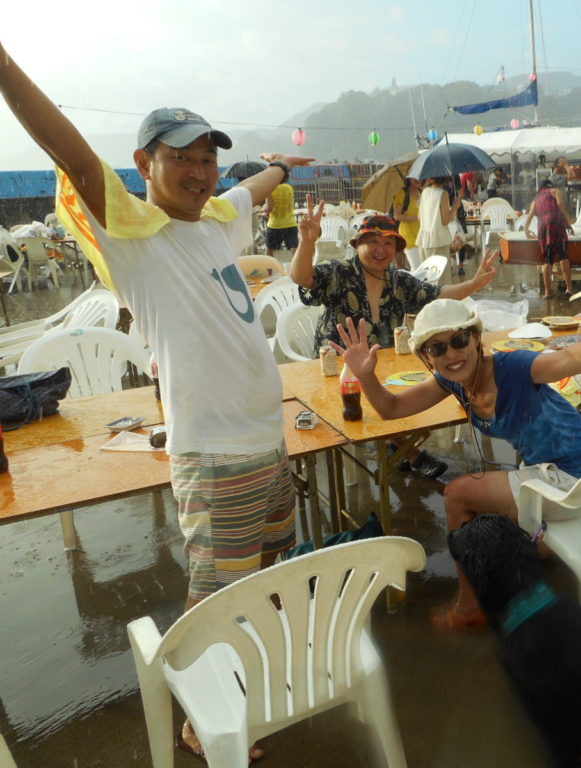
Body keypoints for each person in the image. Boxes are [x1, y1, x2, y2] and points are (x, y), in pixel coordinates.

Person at [0, 40, 306, 761]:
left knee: (261, 577)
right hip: (219, 456)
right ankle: (201, 724)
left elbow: (249, 190)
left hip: (268, 442)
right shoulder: (135, 237)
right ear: (144, 166)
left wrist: (279, 168)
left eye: (207, 158)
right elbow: (73, 155)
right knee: (215, 596)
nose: (199, 172)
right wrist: (7, 70)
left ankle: (232, 689)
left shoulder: (215, 224)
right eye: (181, 158)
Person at [334, 296, 581, 629]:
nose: (451, 353)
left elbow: (571, 358)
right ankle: (528, 566)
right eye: (437, 347)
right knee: (490, 510)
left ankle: (469, 605)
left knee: (459, 495)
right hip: (550, 475)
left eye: (459, 339)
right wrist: (365, 376)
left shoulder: (515, 366)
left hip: (577, 479)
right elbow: (391, 408)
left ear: (477, 338)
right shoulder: (453, 381)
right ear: (426, 356)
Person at [291, 209, 499, 478]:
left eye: (388, 243)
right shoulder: (339, 273)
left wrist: (474, 283)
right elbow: (302, 278)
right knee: (367, 403)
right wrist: (307, 242)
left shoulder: (398, 280)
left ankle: (396, 445)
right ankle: (410, 453)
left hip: (383, 363)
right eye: (374, 241)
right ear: (358, 244)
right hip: (340, 366)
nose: (381, 249)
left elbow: (438, 295)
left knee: (408, 392)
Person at [523, 179, 574, 298]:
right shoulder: (555, 191)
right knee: (563, 256)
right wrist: (568, 220)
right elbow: (560, 205)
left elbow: (529, 216)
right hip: (556, 224)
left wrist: (526, 230)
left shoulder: (536, 199)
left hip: (543, 229)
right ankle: (569, 289)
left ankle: (547, 292)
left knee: (547, 260)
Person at [416, 176, 457, 258]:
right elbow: (445, 221)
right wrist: (455, 207)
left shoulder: (424, 192)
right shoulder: (442, 193)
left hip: (423, 240)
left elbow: (419, 217)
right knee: (441, 270)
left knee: (426, 270)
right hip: (438, 242)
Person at [391, 175, 421, 269]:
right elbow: (397, 215)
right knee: (417, 268)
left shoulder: (422, 192)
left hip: (422, 236)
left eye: (419, 176)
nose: (417, 179)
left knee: (424, 269)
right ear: (408, 179)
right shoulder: (403, 193)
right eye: (414, 177)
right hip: (408, 236)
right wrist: (417, 218)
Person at [264, 180, 298, 257]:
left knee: (270, 251)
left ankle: (269, 269)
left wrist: (264, 210)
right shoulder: (289, 188)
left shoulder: (270, 189)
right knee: (295, 250)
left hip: (274, 225)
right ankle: (299, 268)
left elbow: (269, 208)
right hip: (290, 223)